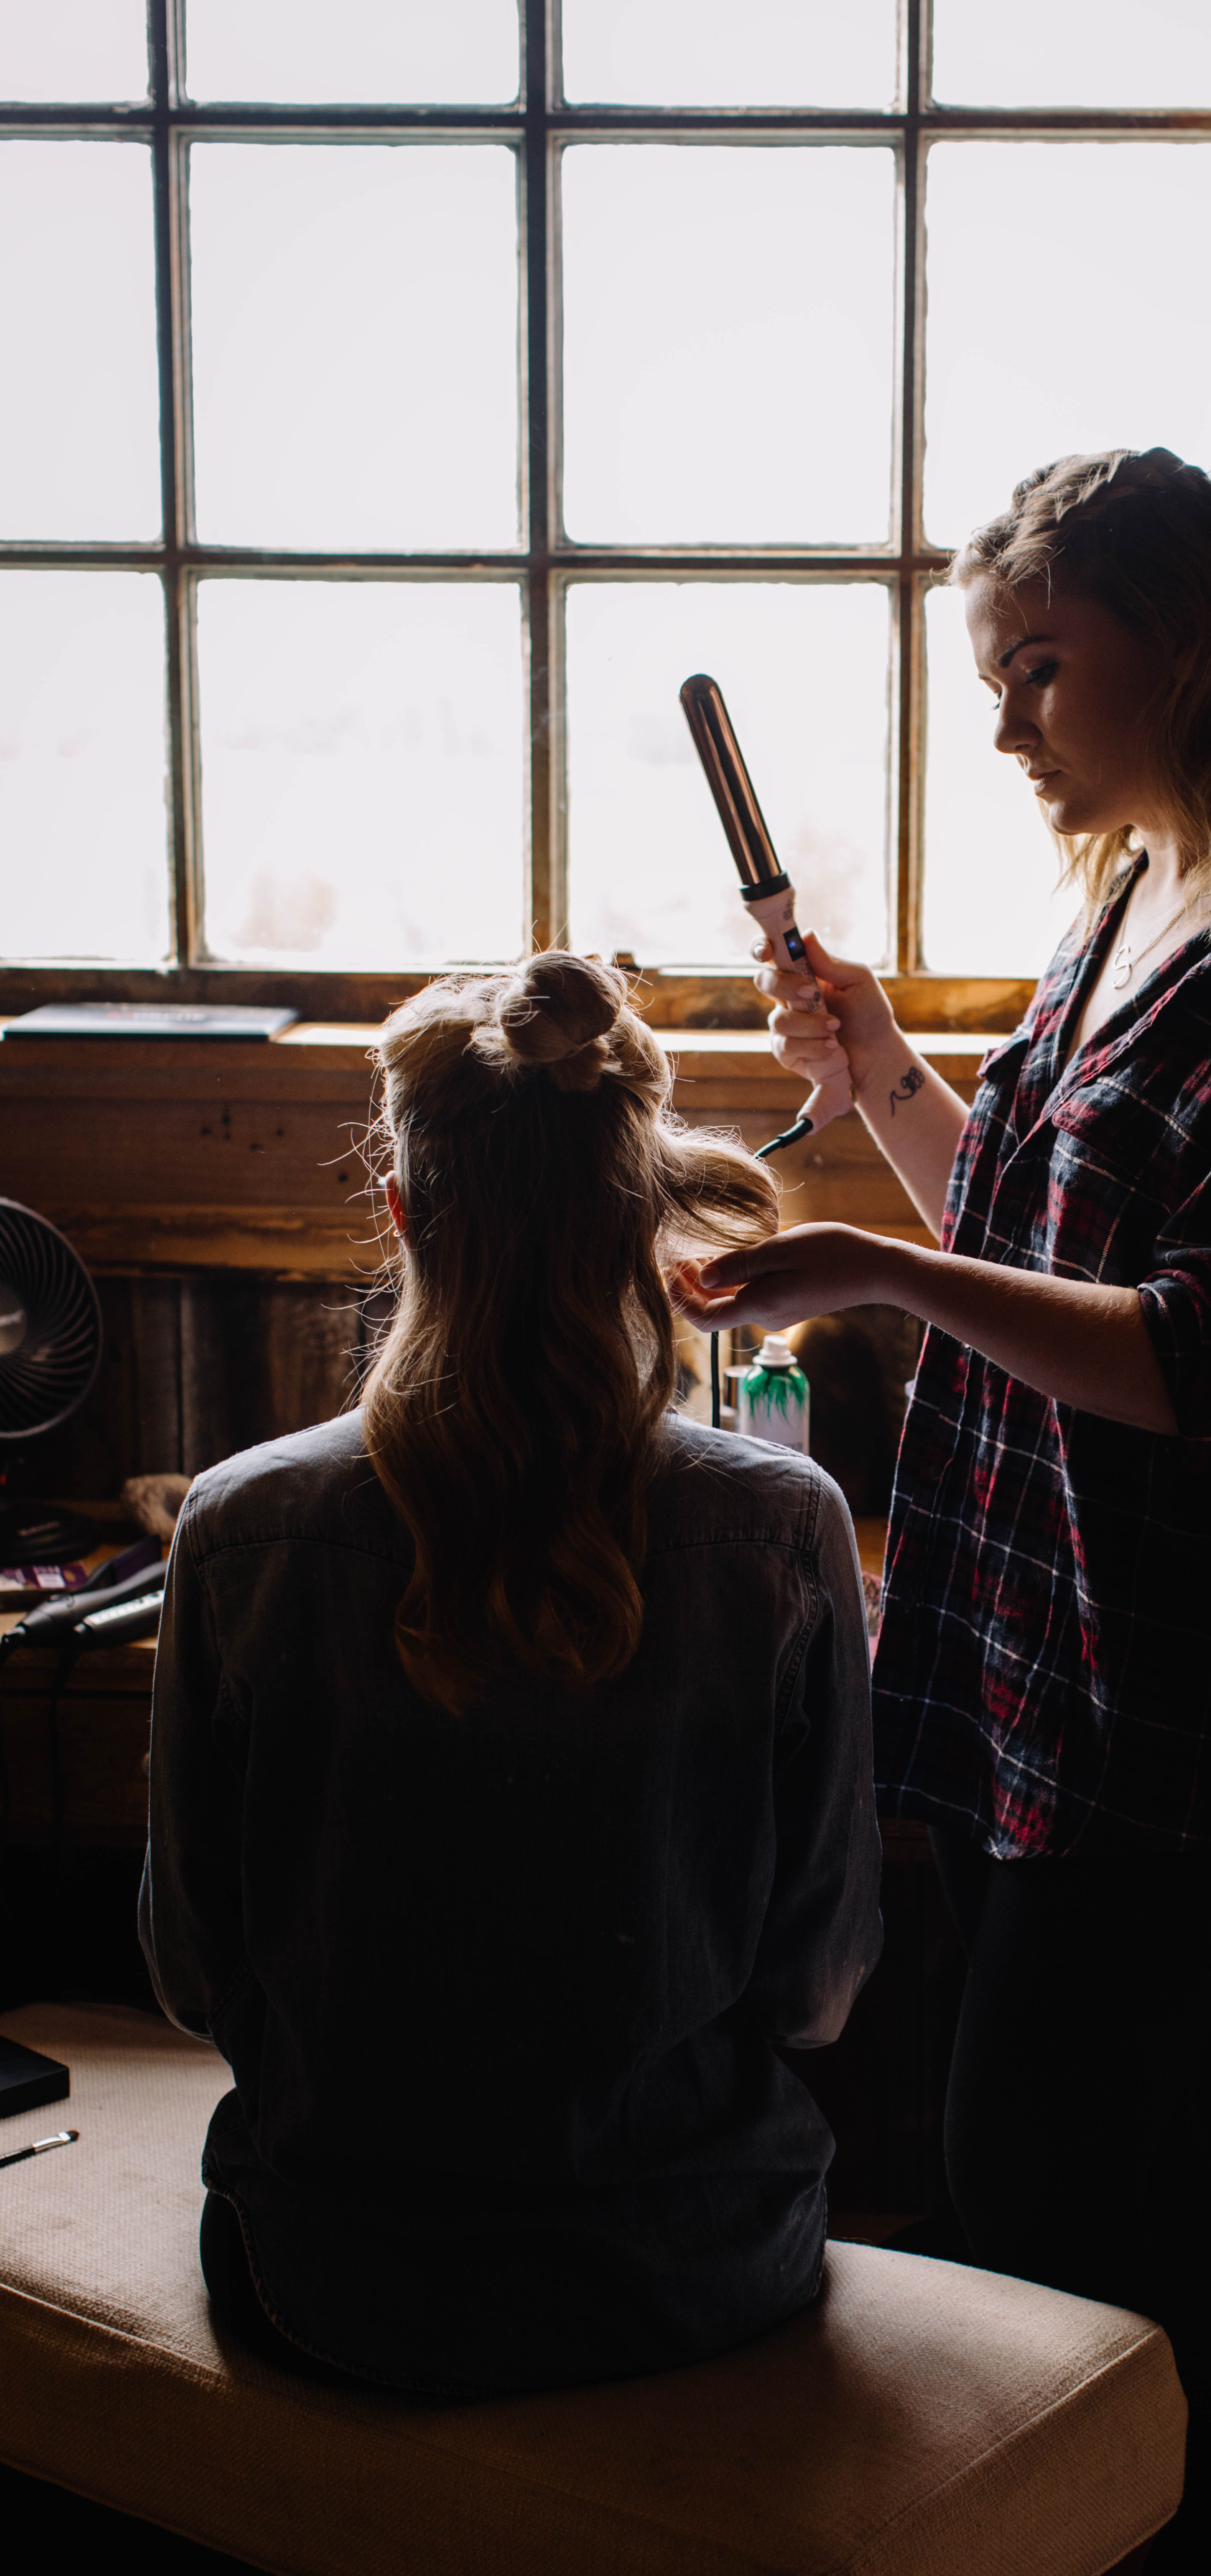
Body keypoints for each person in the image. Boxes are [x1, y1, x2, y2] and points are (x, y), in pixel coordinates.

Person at [676, 449, 1211, 2548]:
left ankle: (1135, 2521)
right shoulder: (1139, 888)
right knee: (1175, 2159)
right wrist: (887, 1091)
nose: (1011, 722)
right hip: (1056, 1649)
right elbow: (1034, 1232)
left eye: (1040, 668)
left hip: (1194, 1695)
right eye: (995, 677)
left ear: (1187, 645)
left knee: (1033, 2170)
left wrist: (861, 1272)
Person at [140, 953, 881, 2397]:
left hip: (335, 2275)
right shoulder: (785, 1530)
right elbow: (815, 1990)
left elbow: (190, 1972)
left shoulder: (239, 1528)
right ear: (643, 1229)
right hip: (698, 2266)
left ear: (404, 1209)